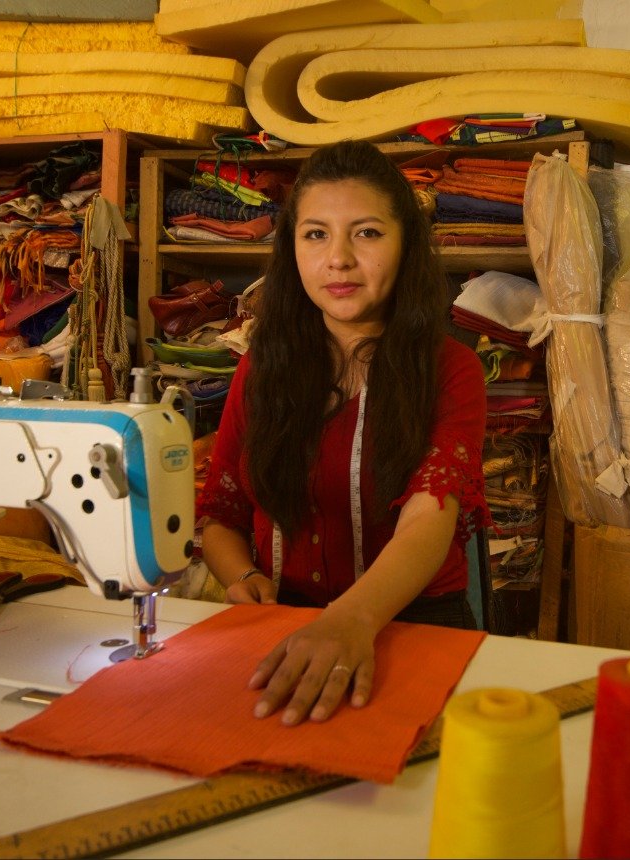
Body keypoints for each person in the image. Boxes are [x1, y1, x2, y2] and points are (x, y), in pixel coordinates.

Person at [197, 139, 489, 728]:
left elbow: (429, 520)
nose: (339, 260)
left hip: (415, 626)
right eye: (315, 234)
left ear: (405, 244)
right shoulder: (263, 367)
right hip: (283, 626)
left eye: (367, 233)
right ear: (292, 249)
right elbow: (219, 511)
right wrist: (243, 577)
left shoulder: (450, 369)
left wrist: (349, 620)